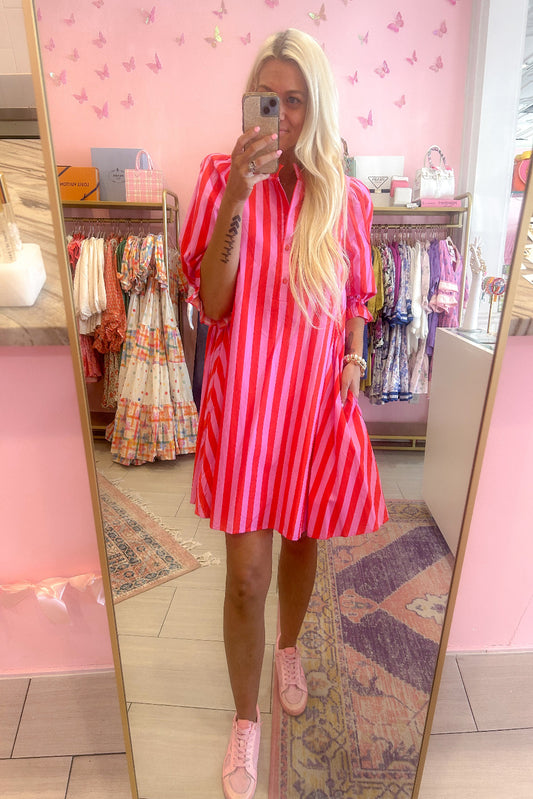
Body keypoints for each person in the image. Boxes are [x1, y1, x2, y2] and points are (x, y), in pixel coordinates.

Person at [180, 28, 388, 799]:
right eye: (267, 99)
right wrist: (239, 193)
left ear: (317, 105)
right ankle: (245, 716)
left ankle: (289, 644)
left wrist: (356, 359)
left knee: (301, 544)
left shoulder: (347, 199)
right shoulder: (218, 179)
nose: (281, 116)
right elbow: (213, 301)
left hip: (310, 408)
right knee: (244, 576)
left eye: (295, 100)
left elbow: (356, 298)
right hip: (244, 408)